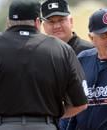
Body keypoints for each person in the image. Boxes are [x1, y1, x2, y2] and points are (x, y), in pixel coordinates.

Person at [0, 0, 88, 130]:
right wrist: (54, 115)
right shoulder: (61, 48)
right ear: (38, 22)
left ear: (8, 22)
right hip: (45, 125)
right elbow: (80, 104)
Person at [40, 0, 93, 129]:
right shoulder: (39, 55)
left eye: (61, 20)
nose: (56, 25)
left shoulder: (91, 51)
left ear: (71, 21)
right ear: (43, 25)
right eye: (51, 21)